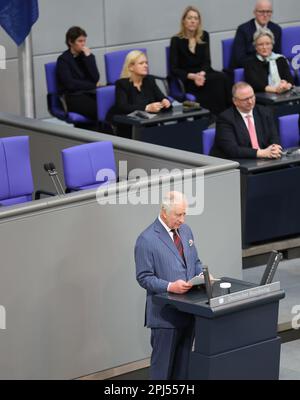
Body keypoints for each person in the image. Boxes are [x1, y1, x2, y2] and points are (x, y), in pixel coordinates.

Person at [135, 191, 203, 380]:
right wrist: (169, 286)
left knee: (183, 371)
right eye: (178, 214)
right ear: (164, 212)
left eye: (184, 214)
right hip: (165, 317)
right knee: (162, 373)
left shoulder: (186, 231)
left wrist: (201, 275)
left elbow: (194, 260)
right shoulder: (146, 240)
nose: (182, 219)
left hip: (189, 311)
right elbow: (143, 277)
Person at [169, 6, 231, 115]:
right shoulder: (176, 40)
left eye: (196, 18)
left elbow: (207, 62)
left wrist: (201, 74)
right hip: (188, 78)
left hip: (204, 73)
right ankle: (208, 118)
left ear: (199, 22)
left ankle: (226, 115)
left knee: (222, 77)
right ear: (184, 21)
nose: (193, 21)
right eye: (189, 18)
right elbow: (174, 68)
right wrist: (193, 76)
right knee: (206, 86)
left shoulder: (204, 36)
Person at [210, 82, 282, 159]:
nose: (250, 102)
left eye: (252, 97)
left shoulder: (265, 112)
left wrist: (275, 148)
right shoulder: (225, 118)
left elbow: (274, 137)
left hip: (263, 158)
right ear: (235, 101)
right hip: (237, 161)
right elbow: (232, 149)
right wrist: (261, 153)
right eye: (245, 99)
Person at [109, 50, 171, 138]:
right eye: (141, 63)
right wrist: (147, 108)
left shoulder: (150, 80)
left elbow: (161, 97)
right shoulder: (122, 84)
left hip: (149, 124)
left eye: (146, 63)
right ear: (131, 67)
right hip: (129, 126)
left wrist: (165, 101)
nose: (146, 65)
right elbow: (122, 107)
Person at [56, 26, 101, 121]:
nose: (83, 44)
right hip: (73, 96)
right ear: (70, 42)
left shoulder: (87, 57)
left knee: (108, 106)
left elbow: (95, 77)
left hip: (89, 93)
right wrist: (92, 85)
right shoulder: (63, 60)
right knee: (96, 110)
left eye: (84, 41)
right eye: (80, 41)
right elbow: (70, 84)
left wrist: (89, 58)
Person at [230, 0, 282, 69]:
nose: (265, 15)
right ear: (254, 13)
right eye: (262, 12)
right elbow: (239, 58)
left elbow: (277, 54)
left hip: (270, 67)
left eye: (268, 11)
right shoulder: (243, 30)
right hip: (249, 68)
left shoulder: (276, 29)